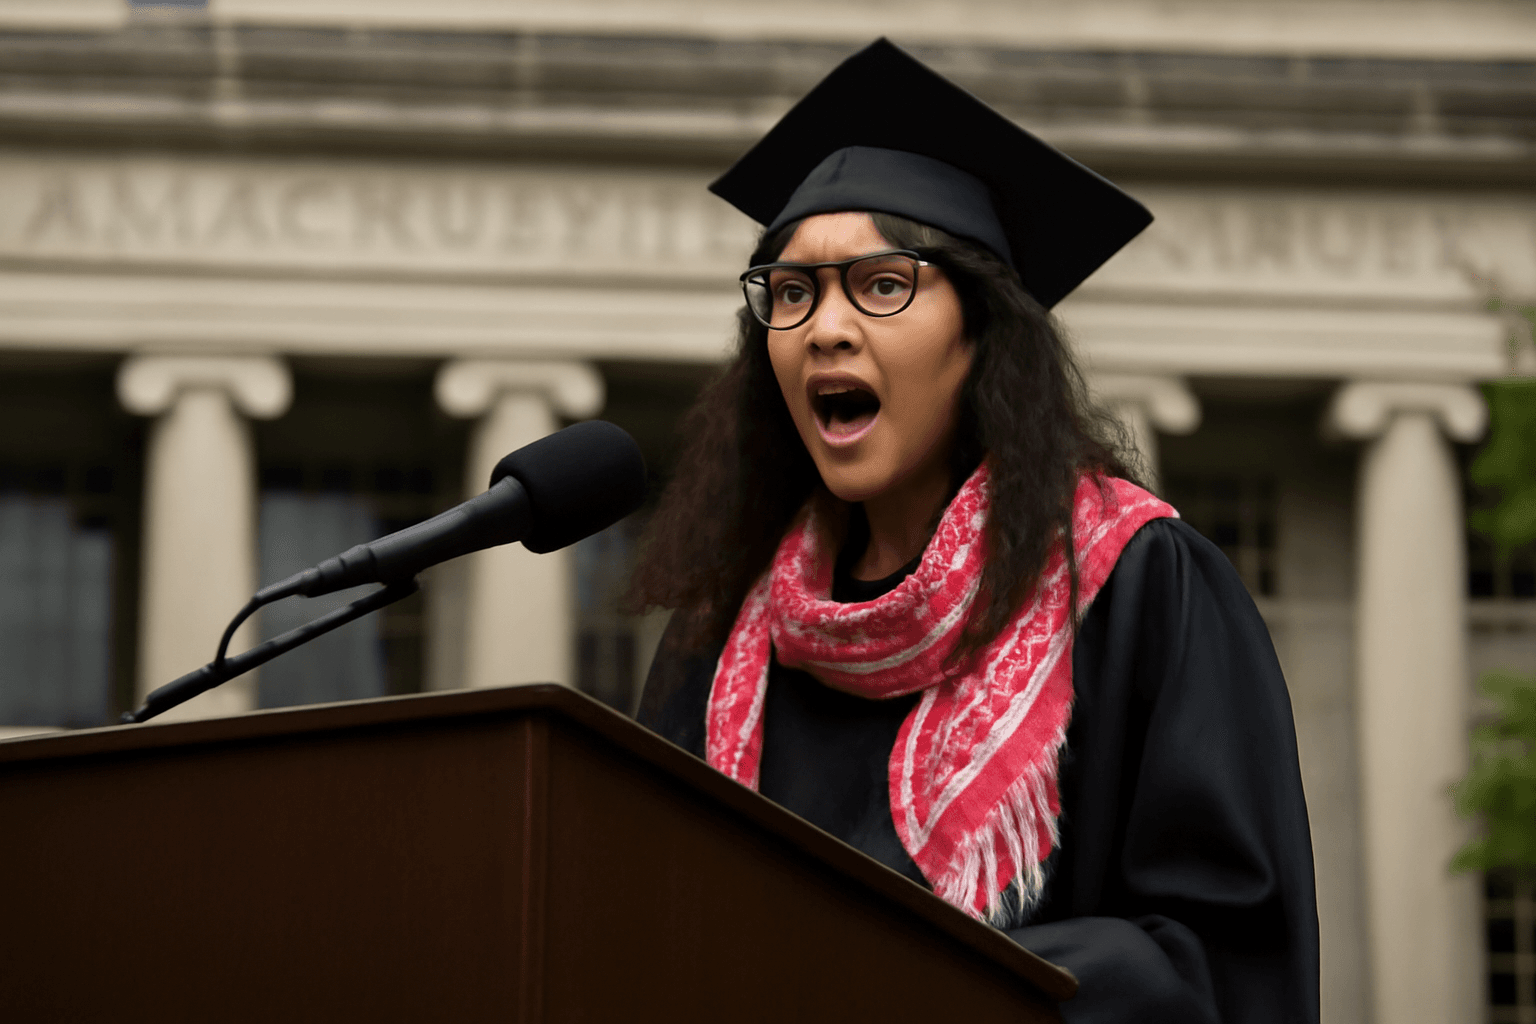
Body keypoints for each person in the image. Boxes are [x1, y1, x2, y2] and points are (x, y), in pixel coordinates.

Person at [626, 39, 1319, 1024]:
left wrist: (923, 980)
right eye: (791, 292)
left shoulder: (1139, 588)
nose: (823, 327)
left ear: (982, 333)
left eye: (881, 284)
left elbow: (1220, 959)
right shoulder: (721, 634)